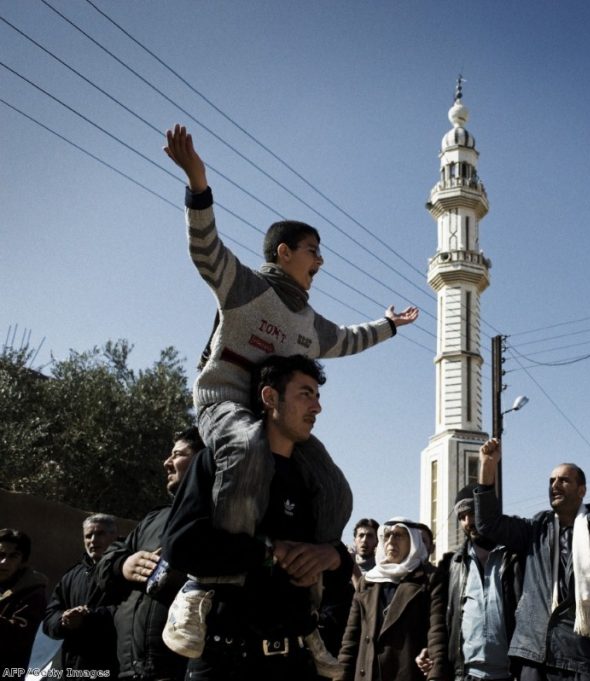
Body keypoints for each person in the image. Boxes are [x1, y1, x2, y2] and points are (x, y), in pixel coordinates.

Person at [160, 125, 418, 662]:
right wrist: (197, 184)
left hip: (274, 420)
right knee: (248, 447)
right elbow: (205, 248)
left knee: (332, 484)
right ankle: (203, 588)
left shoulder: (306, 321)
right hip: (228, 404)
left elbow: (347, 339)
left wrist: (389, 326)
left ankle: (307, 610)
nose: (320, 261)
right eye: (312, 251)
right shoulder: (247, 287)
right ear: (283, 253)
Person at [162, 355, 353, 680]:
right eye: (305, 394)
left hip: (295, 664)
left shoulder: (314, 482)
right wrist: (268, 551)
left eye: (318, 397)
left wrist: (332, 558)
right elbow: (181, 546)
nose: (317, 408)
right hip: (225, 662)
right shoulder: (217, 463)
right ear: (269, 397)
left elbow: (340, 576)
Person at [474, 438, 590, 680]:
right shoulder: (537, 528)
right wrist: (487, 468)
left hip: (585, 658)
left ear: (582, 490)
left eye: (564, 480)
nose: (555, 485)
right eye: (551, 480)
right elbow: (488, 524)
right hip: (534, 654)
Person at [94, 426, 203, 681]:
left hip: (183, 670)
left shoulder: (219, 517)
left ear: (203, 459)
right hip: (127, 669)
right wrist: (123, 564)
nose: (166, 462)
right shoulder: (154, 519)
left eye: (177, 454)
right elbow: (103, 567)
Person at [421, 484, 522, 681]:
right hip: (465, 675)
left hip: (511, 674)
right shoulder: (452, 565)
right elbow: (441, 622)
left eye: (473, 513)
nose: (468, 522)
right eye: (461, 517)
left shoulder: (515, 558)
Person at [338, 518, 439, 681]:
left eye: (398, 535)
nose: (391, 541)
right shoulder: (368, 581)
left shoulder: (428, 580)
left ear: (413, 542)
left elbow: (436, 633)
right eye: (387, 536)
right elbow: (350, 641)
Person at [43, 514, 121, 676]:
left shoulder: (123, 572)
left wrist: (89, 617)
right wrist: (63, 620)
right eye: (88, 536)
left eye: (100, 534)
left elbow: (128, 612)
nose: (93, 540)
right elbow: (49, 616)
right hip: (67, 667)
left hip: (108, 667)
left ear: (115, 536)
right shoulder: (71, 575)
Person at [0, 529, 48, 679]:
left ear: (23, 561)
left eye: (13, 556)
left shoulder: (33, 593)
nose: (4, 562)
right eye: (0, 555)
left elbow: (18, 638)